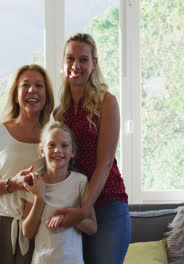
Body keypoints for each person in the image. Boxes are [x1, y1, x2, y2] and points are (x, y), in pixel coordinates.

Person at [52, 32, 131, 263]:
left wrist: (85, 209)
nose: (76, 65)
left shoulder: (107, 102)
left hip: (107, 205)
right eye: (70, 59)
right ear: (63, 63)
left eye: (83, 59)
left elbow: (105, 163)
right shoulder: (59, 113)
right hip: (75, 206)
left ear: (93, 64)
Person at [0, 64, 55, 264]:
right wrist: (12, 184)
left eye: (39, 86)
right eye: (25, 85)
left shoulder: (52, 138)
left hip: (33, 228)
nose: (32, 90)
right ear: (16, 95)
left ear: (46, 96)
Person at [18, 121, 97, 264]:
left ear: (72, 152)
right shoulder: (35, 183)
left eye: (64, 145)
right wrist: (39, 198)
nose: (57, 150)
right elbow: (27, 232)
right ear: (42, 151)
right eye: (51, 145)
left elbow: (92, 227)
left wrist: (69, 218)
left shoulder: (80, 182)